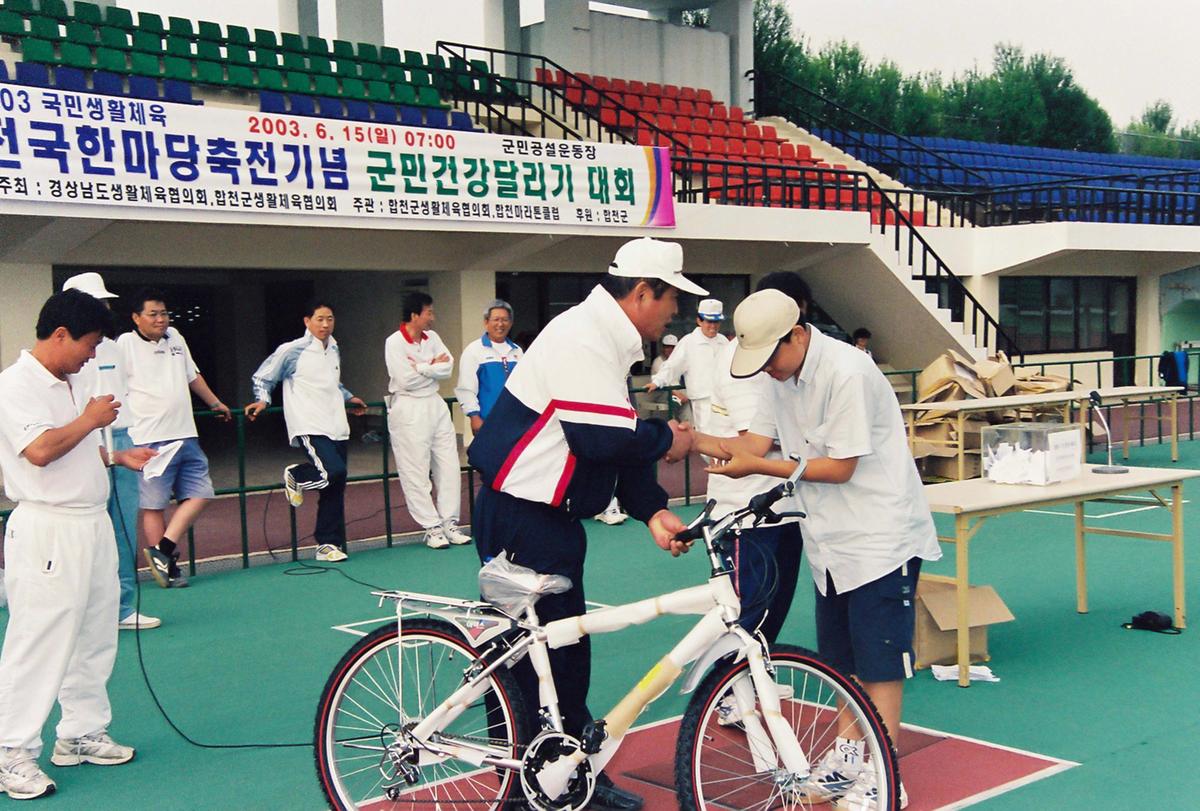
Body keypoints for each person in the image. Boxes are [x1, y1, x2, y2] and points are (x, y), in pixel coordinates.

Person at [467, 236, 700, 811]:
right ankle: (528, 788)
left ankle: (567, 775)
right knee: (531, 656)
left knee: (563, 653)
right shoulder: (581, 336)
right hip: (522, 514)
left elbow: (610, 440)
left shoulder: (604, 336)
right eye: (672, 299)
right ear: (644, 293)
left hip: (545, 517)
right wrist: (675, 438)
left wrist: (649, 509)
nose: (676, 311)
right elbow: (598, 438)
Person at [691, 287, 941, 811]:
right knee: (842, 657)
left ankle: (884, 771)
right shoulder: (783, 375)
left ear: (798, 334)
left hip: (879, 533)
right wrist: (688, 440)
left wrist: (758, 468)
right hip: (829, 537)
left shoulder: (847, 371)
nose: (768, 371)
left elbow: (840, 466)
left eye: (771, 358)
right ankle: (850, 756)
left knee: (879, 661)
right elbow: (755, 445)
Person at [0, 290, 155, 801]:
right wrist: (90, 420)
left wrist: (116, 458)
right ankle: (9, 751)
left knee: (94, 633)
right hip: (47, 527)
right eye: (88, 344)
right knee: (39, 640)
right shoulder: (13, 385)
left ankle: (80, 733)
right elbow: (40, 451)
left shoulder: (78, 379)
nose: (93, 355)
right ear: (60, 334)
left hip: (91, 522)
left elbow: (75, 448)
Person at [63, 273, 159, 631]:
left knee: (121, 528)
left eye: (104, 303)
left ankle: (120, 607)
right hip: (82, 439)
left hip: (120, 437)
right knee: (82, 527)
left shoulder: (114, 348)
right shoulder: (65, 352)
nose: (104, 309)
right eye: (96, 303)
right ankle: (79, 608)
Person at [117, 288, 232, 589]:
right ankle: (167, 570)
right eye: (153, 314)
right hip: (149, 438)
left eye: (164, 313)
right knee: (154, 505)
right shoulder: (125, 345)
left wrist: (215, 403)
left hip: (185, 433)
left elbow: (192, 375)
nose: (160, 319)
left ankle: (163, 551)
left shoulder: (176, 338)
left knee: (202, 493)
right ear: (136, 318)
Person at [244, 301, 367, 563]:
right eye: (320, 319)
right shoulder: (292, 350)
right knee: (333, 471)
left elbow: (332, 383)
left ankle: (328, 544)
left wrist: (349, 397)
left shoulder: (333, 348)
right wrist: (263, 400)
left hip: (337, 424)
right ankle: (297, 474)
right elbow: (264, 376)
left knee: (335, 486)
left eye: (330, 319)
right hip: (309, 422)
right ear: (307, 321)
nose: (325, 325)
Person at [385, 292, 469, 549]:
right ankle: (431, 527)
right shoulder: (394, 342)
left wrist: (422, 367)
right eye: (428, 312)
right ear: (415, 315)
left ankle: (449, 522)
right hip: (408, 406)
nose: (432, 317)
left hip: (435, 403)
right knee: (415, 469)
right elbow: (404, 379)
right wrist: (431, 367)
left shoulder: (433, 338)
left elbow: (448, 368)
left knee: (449, 465)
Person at [644, 297, 729, 434]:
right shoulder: (689, 342)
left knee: (726, 433)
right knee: (706, 434)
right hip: (702, 398)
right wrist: (657, 381)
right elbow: (672, 365)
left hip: (724, 396)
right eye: (709, 321)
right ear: (699, 320)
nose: (713, 326)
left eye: (716, 321)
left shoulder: (723, 341)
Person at [454, 299, 523, 435]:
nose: (500, 324)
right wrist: (474, 416)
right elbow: (466, 388)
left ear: (511, 323)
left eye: (505, 320)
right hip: (487, 420)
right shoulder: (474, 350)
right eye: (496, 319)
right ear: (486, 322)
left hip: (514, 420)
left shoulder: (517, 351)